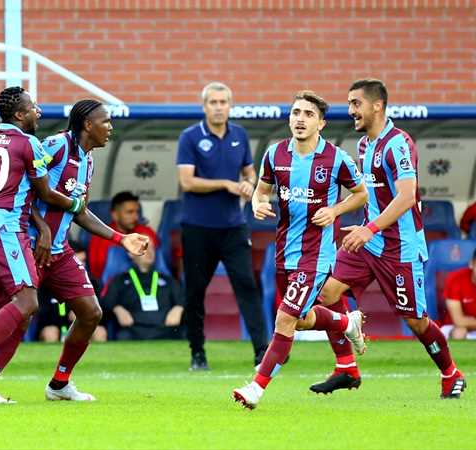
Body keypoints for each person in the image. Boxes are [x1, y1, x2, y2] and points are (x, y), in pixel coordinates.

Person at [293, 79, 465, 399]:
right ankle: (347, 368)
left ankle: (451, 373)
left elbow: (406, 197)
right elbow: (369, 194)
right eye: (349, 104)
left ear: (377, 106)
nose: (351, 111)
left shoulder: (398, 143)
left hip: (399, 247)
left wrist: (368, 228)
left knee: (416, 321)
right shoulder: (363, 145)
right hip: (368, 242)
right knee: (327, 293)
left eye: (356, 104)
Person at [0, 86, 88, 404]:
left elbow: (25, 191)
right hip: (5, 230)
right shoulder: (29, 143)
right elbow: (47, 194)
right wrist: (77, 206)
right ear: (20, 114)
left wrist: (42, 228)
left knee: (15, 314)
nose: (38, 111)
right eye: (33, 107)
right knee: (27, 302)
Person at [232, 90, 368, 409]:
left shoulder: (336, 158)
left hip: (316, 256)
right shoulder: (274, 154)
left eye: (308, 114)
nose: (300, 119)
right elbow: (261, 191)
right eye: (296, 113)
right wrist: (258, 204)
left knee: (283, 320)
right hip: (284, 254)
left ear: (321, 123)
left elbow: (361, 194)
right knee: (300, 319)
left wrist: (335, 211)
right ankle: (347, 323)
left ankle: (256, 387)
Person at [32, 99, 148, 402]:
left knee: (90, 313)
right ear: (87, 125)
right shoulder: (56, 145)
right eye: (106, 121)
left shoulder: (89, 160)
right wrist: (42, 229)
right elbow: (22, 186)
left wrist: (121, 238)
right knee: (16, 314)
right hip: (29, 246)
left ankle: (59, 384)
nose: (110, 127)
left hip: (58, 251)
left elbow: (79, 212)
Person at [176, 81, 267, 370]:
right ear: (204, 107)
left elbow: (250, 173)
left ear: (230, 106)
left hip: (233, 227)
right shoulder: (190, 137)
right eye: (213, 102)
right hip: (197, 228)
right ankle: (198, 353)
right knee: (195, 292)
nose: (218, 107)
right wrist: (226, 184)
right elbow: (186, 181)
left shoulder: (240, 134)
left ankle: (261, 352)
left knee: (247, 286)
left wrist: (247, 185)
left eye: (223, 102)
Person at [102, 237, 185, 340]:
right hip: (133, 331)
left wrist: (179, 308)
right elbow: (105, 304)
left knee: (184, 334)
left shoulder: (168, 280)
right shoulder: (120, 281)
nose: (149, 251)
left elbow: (184, 300)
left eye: (152, 248)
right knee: (122, 336)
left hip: (165, 330)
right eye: (144, 248)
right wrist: (117, 308)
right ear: (131, 253)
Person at [37, 240, 107, 342]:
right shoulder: (47, 282)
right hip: (56, 327)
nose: (81, 266)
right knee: (50, 332)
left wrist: (83, 314)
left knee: (100, 332)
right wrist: (67, 315)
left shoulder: (92, 283)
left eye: (84, 261)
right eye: (78, 262)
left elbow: (101, 312)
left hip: (82, 327)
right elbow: (42, 314)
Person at [88, 191, 159, 281]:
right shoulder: (101, 236)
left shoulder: (146, 232)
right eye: (130, 212)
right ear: (115, 215)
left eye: (137, 212)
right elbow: (97, 272)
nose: (135, 217)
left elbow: (158, 263)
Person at [441, 249, 476, 340]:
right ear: (472, 264)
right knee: (459, 332)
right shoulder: (455, 279)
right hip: (454, 327)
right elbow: (458, 321)